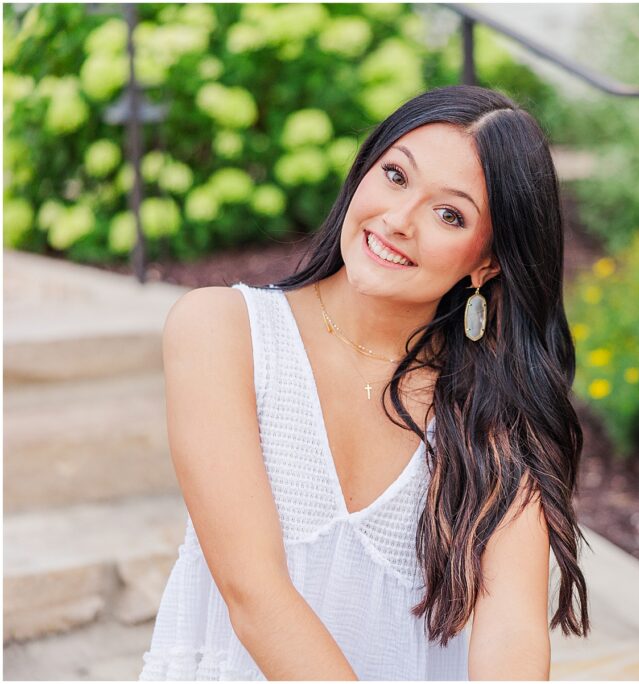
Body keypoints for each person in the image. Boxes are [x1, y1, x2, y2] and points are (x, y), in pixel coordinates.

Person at [139, 85, 591, 681]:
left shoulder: (494, 410)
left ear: (487, 263)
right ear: (363, 171)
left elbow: (512, 633)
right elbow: (253, 594)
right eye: (396, 176)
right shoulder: (224, 331)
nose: (399, 221)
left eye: (448, 213)